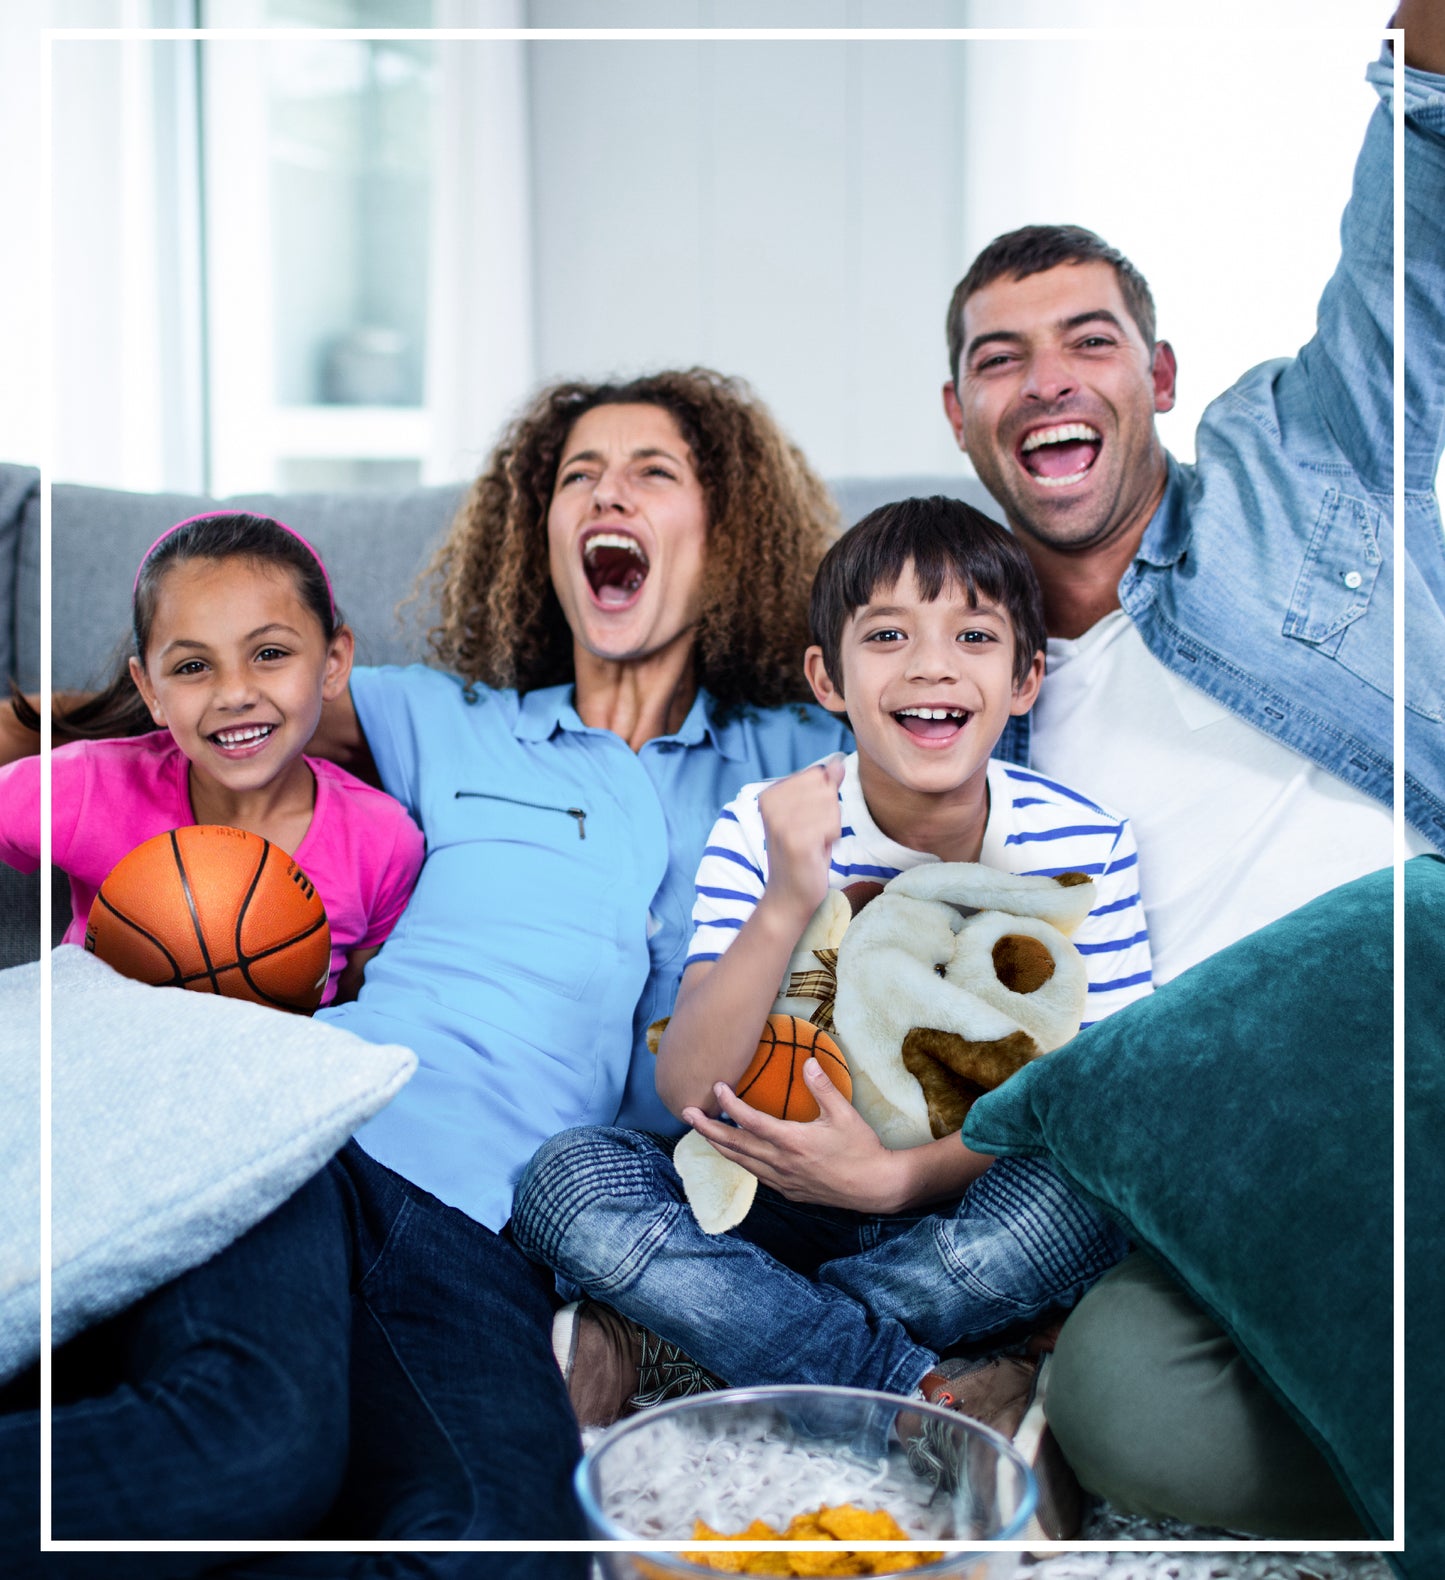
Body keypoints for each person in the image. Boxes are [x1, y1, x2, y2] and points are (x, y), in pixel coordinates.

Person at [0, 368, 852, 1575]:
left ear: (726, 530)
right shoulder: (446, 716)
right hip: (310, 1142)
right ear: (540, 534)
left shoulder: (798, 757)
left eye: (651, 472)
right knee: (250, 1445)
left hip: (487, 1248)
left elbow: (960, 716)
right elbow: (227, 686)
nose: (606, 494)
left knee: (508, 1550)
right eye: (577, 477)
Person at [928, 6, 1445, 1540]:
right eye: (999, 360)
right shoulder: (954, 711)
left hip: (1417, 1016)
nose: (1047, 382)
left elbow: (1411, 248)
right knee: (1126, 1407)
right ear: (958, 416)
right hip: (1222, 1158)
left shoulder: (1308, 469)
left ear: (1156, 373)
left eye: (1088, 343)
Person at [511, 497, 1151, 1536]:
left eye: (973, 637)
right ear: (828, 678)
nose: (931, 666)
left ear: (1025, 678)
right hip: (767, 1201)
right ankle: (914, 1383)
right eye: (887, 636)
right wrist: (785, 897)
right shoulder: (765, 824)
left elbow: (1098, 1105)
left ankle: (688, 1336)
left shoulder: (1083, 842)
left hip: (961, 1207)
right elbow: (688, 1088)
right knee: (566, 1180)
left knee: (1096, 1197)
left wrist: (895, 1178)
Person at [0, 512, 424, 1005]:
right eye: (193, 666)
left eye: (269, 653)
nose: (235, 694)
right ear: (150, 690)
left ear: (333, 664)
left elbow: (365, 1009)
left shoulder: (384, 840)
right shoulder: (85, 785)